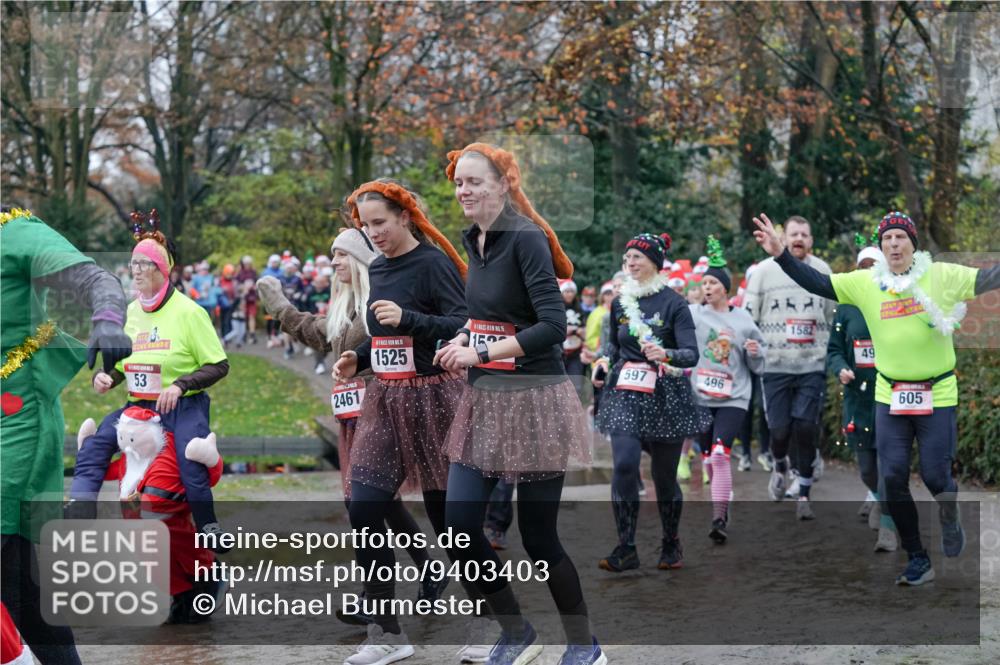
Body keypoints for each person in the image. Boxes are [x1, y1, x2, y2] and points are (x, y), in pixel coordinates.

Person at [753, 210, 1000, 585]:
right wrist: (781, 253)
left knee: (936, 477)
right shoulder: (867, 282)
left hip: (937, 391)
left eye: (900, 237)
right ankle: (918, 557)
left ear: (913, 244)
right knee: (893, 478)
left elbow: (987, 278)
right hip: (890, 394)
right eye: (887, 239)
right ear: (881, 248)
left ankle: (949, 513)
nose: (893, 244)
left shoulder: (941, 275)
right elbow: (818, 282)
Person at [436, 143, 604, 665]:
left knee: (537, 536)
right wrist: (461, 337)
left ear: (504, 183)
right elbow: (490, 312)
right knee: (459, 525)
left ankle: (584, 645)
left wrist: (479, 350)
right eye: (459, 182)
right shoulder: (474, 238)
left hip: (534, 399)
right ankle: (515, 629)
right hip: (485, 399)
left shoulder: (526, 237)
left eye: (474, 182)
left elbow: (552, 327)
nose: (463, 191)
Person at [256, 228, 447, 624]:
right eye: (332, 255)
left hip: (383, 411)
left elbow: (406, 344)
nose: (335, 262)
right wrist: (279, 306)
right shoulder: (344, 307)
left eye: (342, 255)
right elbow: (318, 332)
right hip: (350, 418)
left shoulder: (379, 300)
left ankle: (376, 598)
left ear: (361, 259)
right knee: (378, 504)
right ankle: (426, 571)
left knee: (367, 503)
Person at [332, 180, 469, 664]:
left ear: (406, 217)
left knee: (450, 521)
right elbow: (385, 335)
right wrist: (357, 355)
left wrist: (410, 317)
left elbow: (462, 322)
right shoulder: (381, 268)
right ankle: (388, 635)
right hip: (386, 401)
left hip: (435, 399)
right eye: (365, 227)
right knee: (364, 508)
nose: (374, 234)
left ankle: (492, 620)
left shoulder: (433, 263)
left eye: (380, 223)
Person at [1, 205, 131, 664]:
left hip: (19, 418)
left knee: (12, 578)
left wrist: (108, 318)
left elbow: (96, 280)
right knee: (18, 589)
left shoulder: (14, 233)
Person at [70, 210, 230, 547]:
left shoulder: (190, 312)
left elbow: (218, 365)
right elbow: (127, 361)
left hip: (182, 407)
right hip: (138, 407)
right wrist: (108, 378)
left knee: (190, 457)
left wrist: (181, 384)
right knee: (95, 444)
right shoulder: (129, 312)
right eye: (133, 264)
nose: (136, 271)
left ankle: (209, 527)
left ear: (163, 269)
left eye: (144, 264)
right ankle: (81, 506)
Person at [592, 232, 703, 574]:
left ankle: (670, 540)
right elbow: (611, 345)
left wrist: (665, 353)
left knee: (665, 478)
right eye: (627, 259)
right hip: (626, 392)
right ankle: (626, 546)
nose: (630, 263)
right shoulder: (620, 302)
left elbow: (691, 355)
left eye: (637, 258)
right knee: (624, 465)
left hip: (665, 396)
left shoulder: (674, 303)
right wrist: (602, 362)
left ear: (655, 262)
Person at [743, 215, 834, 520]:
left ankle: (804, 494)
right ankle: (781, 465)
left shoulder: (822, 270)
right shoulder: (763, 272)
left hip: (812, 363)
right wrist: (750, 348)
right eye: (793, 234)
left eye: (804, 235)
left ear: (811, 240)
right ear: (784, 237)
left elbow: (833, 316)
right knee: (779, 431)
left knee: (806, 427)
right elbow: (747, 319)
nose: (799, 239)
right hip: (776, 365)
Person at [688, 236, 766, 544]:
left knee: (720, 454)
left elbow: (759, 364)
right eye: (704, 283)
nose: (706, 288)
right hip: (700, 396)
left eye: (712, 283)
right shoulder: (692, 315)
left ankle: (719, 517)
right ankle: (721, 500)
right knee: (707, 456)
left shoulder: (743, 319)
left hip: (734, 396)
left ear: (725, 288)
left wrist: (754, 351)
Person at [826, 244, 897, 553]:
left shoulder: (895, 301)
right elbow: (834, 350)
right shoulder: (845, 307)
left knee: (889, 465)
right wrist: (841, 368)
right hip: (858, 400)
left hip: (890, 395)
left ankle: (888, 528)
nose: (868, 271)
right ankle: (882, 500)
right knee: (868, 468)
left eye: (874, 265)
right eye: (863, 266)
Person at [235, 255, 259, 344]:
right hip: (243, 298)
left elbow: (257, 284)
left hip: (252, 298)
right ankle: (243, 333)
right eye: (246, 264)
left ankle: (252, 334)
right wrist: (243, 287)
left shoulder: (254, 272)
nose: (247, 265)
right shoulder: (240, 273)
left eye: (249, 263)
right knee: (244, 316)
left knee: (252, 316)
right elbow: (236, 285)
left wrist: (253, 287)